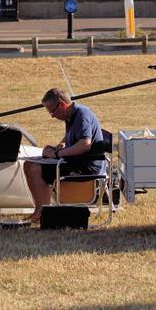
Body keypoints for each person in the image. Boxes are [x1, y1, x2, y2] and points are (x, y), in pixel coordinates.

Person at [23, 88, 104, 223]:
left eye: (52, 111)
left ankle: (43, 213)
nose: (53, 116)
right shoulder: (72, 115)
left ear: (61, 105)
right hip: (76, 162)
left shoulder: (81, 115)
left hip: (85, 168)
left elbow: (85, 144)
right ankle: (39, 210)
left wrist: (57, 154)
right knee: (28, 164)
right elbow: (72, 138)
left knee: (35, 168)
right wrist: (57, 147)